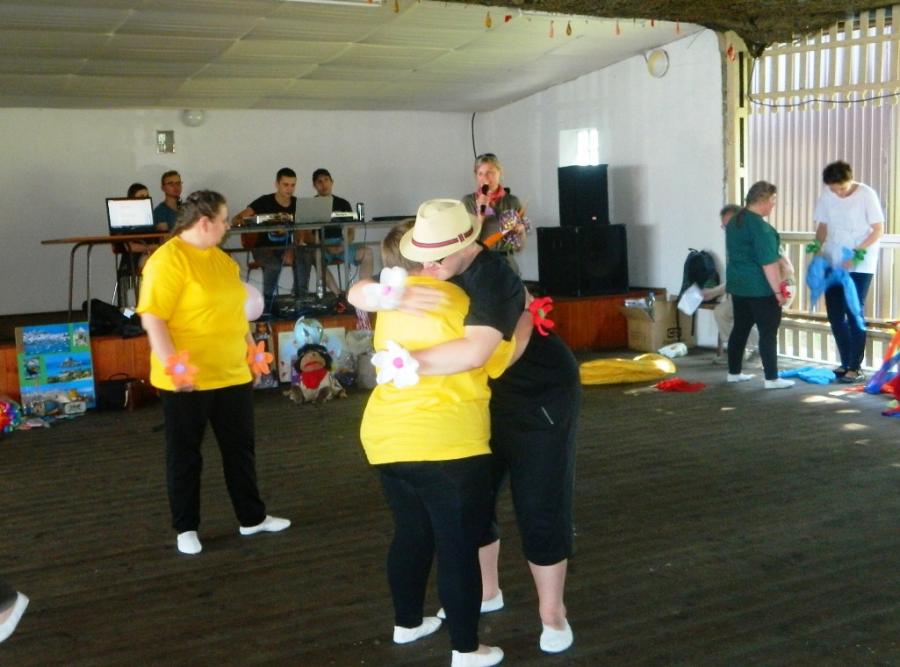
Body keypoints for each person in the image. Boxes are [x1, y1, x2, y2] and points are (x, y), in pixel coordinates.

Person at [397, 199, 580, 654]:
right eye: (422, 256)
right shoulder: (439, 271)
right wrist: (371, 295)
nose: (427, 266)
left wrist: (403, 362)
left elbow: (478, 355)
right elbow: (366, 290)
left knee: (539, 504)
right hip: (484, 399)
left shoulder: (493, 277)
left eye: (437, 256)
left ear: (466, 243)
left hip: (538, 396)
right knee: (473, 501)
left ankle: (552, 613)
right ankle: (487, 592)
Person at [354, 217, 529, 667]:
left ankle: (408, 623)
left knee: (411, 532)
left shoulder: (391, 304)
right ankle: (467, 650)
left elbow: (360, 293)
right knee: (457, 547)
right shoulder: (462, 302)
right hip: (447, 443)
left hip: (386, 437)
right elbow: (499, 358)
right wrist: (526, 317)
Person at [137, 190, 290, 556]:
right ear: (205, 222)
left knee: (240, 450)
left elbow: (238, 316)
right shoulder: (167, 260)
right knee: (185, 454)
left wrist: (252, 355)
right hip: (187, 378)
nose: (227, 226)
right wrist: (175, 368)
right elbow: (153, 319)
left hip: (232, 373)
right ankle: (186, 528)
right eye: (223, 220)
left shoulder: (223, 262)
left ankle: (252, 518)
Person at [813, 160, 885, 383]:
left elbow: (878, 229)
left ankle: (855, 366)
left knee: (853, 310)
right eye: (834, 189)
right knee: (835, 313)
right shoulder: (827, 195)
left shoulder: (866, 194)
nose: (839, 193)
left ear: (850, 180)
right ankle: (845, 362)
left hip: (860, 261)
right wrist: (816, 250)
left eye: (842, 188)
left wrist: (856, 254)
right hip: (833, 259)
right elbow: (822, 226)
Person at [724, 181, 794, 389]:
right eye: (773, 200)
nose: (773, 205)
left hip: (739, 285)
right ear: (763, 200)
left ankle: (734, 373)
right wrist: (778, 292)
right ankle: (771, 378)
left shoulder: (734, 221)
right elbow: (769, 263)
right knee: (768, 332)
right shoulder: (762, 228)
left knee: (740, 328)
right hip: (760, 288)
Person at [232, 167, 309, 312]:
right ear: (277, 184)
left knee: (304, 255)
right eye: (285, 185)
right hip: (263, 248)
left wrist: (293, 247)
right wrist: (246, 220)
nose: (289, 189)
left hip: (287, 247)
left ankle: (301, 299)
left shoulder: (298, 204)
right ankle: (268, 302)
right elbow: (237, 219)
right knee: (273, 265)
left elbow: (302, 230)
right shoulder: (264, 201)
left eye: (293, 185)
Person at [703, 204, 760, 362]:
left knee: (744, 313)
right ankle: (737, 348)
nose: (727, 230)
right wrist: (715, 291)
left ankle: (751, 348)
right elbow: (737, 278)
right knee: (721, 311)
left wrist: (715, 292)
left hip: (768, 290)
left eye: (729, 226)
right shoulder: (734, 243)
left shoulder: (755, 238)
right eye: (724, 227)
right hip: (746, 291)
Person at [311, 168, 373, 296]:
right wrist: (325, 246)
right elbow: (308, 235)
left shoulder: (343, 203)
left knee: (367, 252)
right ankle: (339, 295)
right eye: (319, 182)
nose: (324, 184)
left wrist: (343, 244)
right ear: (314, 186)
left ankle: (363, 293)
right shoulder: (311, 204)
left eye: (326, 180)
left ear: (332, 182)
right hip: (322, 245)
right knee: (315, 257)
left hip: (342, 243)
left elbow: (351, 231)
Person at [460, 153, 526, 274]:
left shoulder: (512, 201)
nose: (485, 178)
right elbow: (468, 244)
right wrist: (480, 216)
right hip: (479, 263)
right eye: (480, 174)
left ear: (500, 172)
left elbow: (519, 248)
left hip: (506, 263)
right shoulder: (468, 201)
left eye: (490, 172)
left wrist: (521, 233)